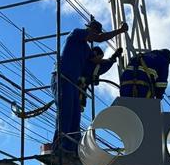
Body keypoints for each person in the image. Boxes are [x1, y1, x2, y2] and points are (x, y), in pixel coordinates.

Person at [52, 17, 128, 154]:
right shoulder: (76, 34)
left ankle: (72, 148)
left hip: (72, 84)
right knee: (66, 113)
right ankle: (59, 147)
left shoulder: (86, 49)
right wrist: (120, 31)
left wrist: (112, 58)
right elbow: (99, 39)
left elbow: (95, 64)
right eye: (95, 33)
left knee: (75, 116)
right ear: (90, 29)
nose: (95, 37)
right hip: (62, 78)